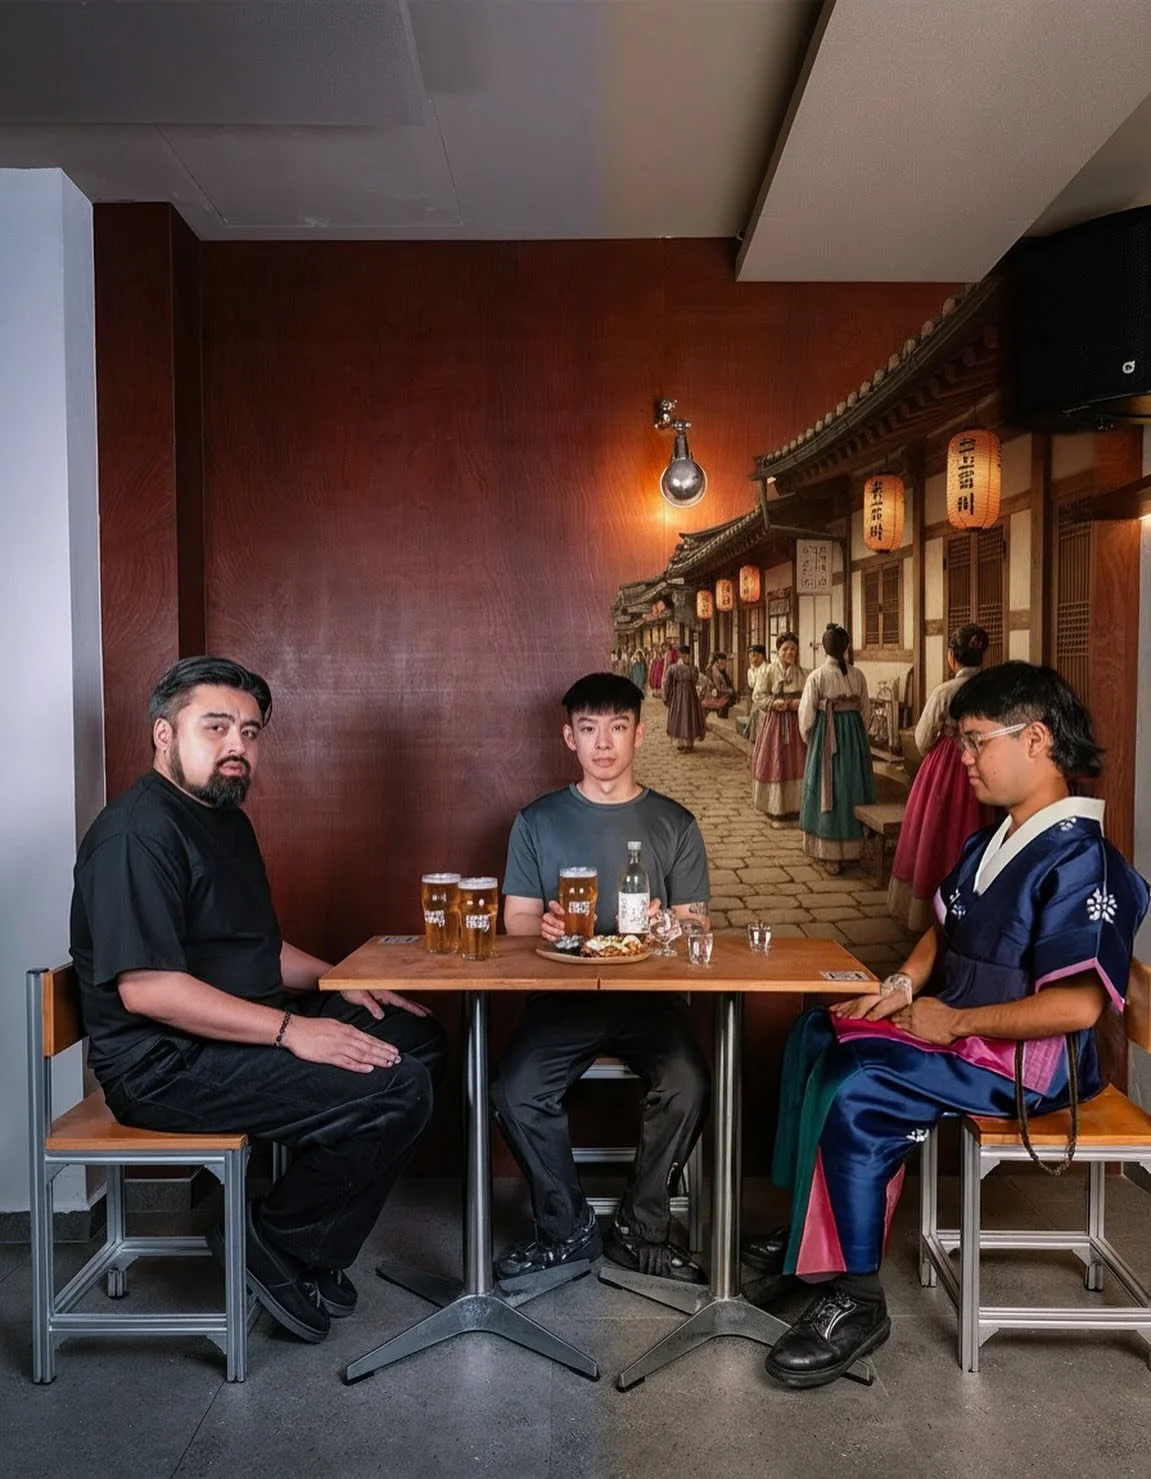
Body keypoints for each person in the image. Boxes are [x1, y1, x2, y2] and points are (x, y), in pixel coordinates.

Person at [745, 662, 1148, 1389]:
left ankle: (856, 1297)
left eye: (971, 742)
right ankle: (807, 1243)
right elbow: (945, 926)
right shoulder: (990, 839)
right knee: (813, 1035)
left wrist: (948, 1019)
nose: (959, 758)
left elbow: (1078, 1007)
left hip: (1029, 1064)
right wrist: (900, 984)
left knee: (859, 1087)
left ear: (1034, 739)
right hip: (962, 1032)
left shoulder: (1083, 860)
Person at [69, 656, 447, 1345]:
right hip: (165, 1064)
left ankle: (304, 1243)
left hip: (230, 1035)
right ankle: (274, 1238)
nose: (237, 744)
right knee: (397, 1087)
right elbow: (149, 988)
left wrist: (338, 982)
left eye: (249, 729)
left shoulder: (221, 816)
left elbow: (254, 949)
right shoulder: (135, 836)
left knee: (413, 1036)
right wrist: (291, 1031)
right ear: (163, 733)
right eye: (216, 726)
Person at [494, 672, 711, 1283]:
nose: (603, 742)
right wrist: (543, 925)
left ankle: (641, 1230)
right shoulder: (537, 821)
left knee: (690, 1082)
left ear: (639, 734)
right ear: (569, 737)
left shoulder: (675, 823)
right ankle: (567, 1229)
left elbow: (699, 928)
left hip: (650, 999)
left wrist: (673, 924)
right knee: (515, 1089)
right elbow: (516, 921)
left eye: (617, 727)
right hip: (563, 997)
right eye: (589, 729)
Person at [888, 624, 993, 931]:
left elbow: (921, 738)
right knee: (977, 826)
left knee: (935, 831)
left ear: (951, 657)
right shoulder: (994, 691)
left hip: (946, 766)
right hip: (987, 765)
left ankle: (928, 911)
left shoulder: (944, 692)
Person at [797, 624, 874, 875]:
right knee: (852, 784)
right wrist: (858, 736)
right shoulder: (858, 674)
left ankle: (829, 853)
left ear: (824, 647)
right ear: (846, 647)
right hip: (853, 735)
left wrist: (811, 737)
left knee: (827, 787)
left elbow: (806, 715)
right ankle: (855, 849)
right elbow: (866, 711)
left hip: (826, 734)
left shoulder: (817, 676)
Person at [750, 632, 808, 827]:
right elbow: (758, 696)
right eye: (785, 649)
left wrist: (797, 704)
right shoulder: (768, 671)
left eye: (793, 649)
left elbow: (809, 698)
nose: (789, 652)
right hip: (775, 724)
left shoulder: (802, 673)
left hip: (795, 723)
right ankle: (776, 808)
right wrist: (774, 703)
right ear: (778, 651)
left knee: (797, 762)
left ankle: (796, 807)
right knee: (776, 761)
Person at [662, 647, 707, 752]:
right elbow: (667, 683)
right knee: (681, 717)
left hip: (690, 697)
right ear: (681, 656)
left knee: (690, 717)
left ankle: (689, 743)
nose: (687, 658)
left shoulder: (692, 668)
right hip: (680, 696)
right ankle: (682, 743)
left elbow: (696, 680)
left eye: (688, 656)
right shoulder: (674, 668)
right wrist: (667, 696)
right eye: (685, 656)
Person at [744, 644, 771, 744]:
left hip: (766, 703)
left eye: (754, 655)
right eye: (750, 656)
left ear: (761, 656)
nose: (751, 658)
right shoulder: (751, 670)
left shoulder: (767, 669)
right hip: (755, 701)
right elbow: (751, 685)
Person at [700, 651, 736, 718]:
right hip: (718, 694)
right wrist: (729, 690)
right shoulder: (716, 672)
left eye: (724, 663)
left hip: (720, 692)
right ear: (717, 662)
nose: (724, 665)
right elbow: (719, 688)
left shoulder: (720, 671)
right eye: (721, 663)